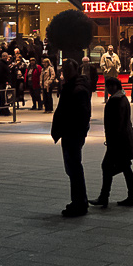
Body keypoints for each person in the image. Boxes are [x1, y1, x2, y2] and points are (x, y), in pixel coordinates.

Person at [89, 77, 133, 209]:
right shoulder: (123, 98)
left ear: (114, 87)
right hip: (124, 138)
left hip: (118, 140)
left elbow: (114, 123)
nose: (108, 88)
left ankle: (104, 197)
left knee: (108, 166)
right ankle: (131, 195)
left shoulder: (115, 100)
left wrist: (111, 140)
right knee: (124, 167)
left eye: (109, 86)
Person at [51, 60, 92, 217]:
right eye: (64, 70)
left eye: (68, 70)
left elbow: (82, 114)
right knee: (73, 168)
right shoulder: (72, 86)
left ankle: (79, 203)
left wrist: (75, 130)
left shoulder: (77, 88)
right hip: (71, 131)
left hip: (72, 132)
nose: (65, 73)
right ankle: (79, 201)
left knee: (74, 168)